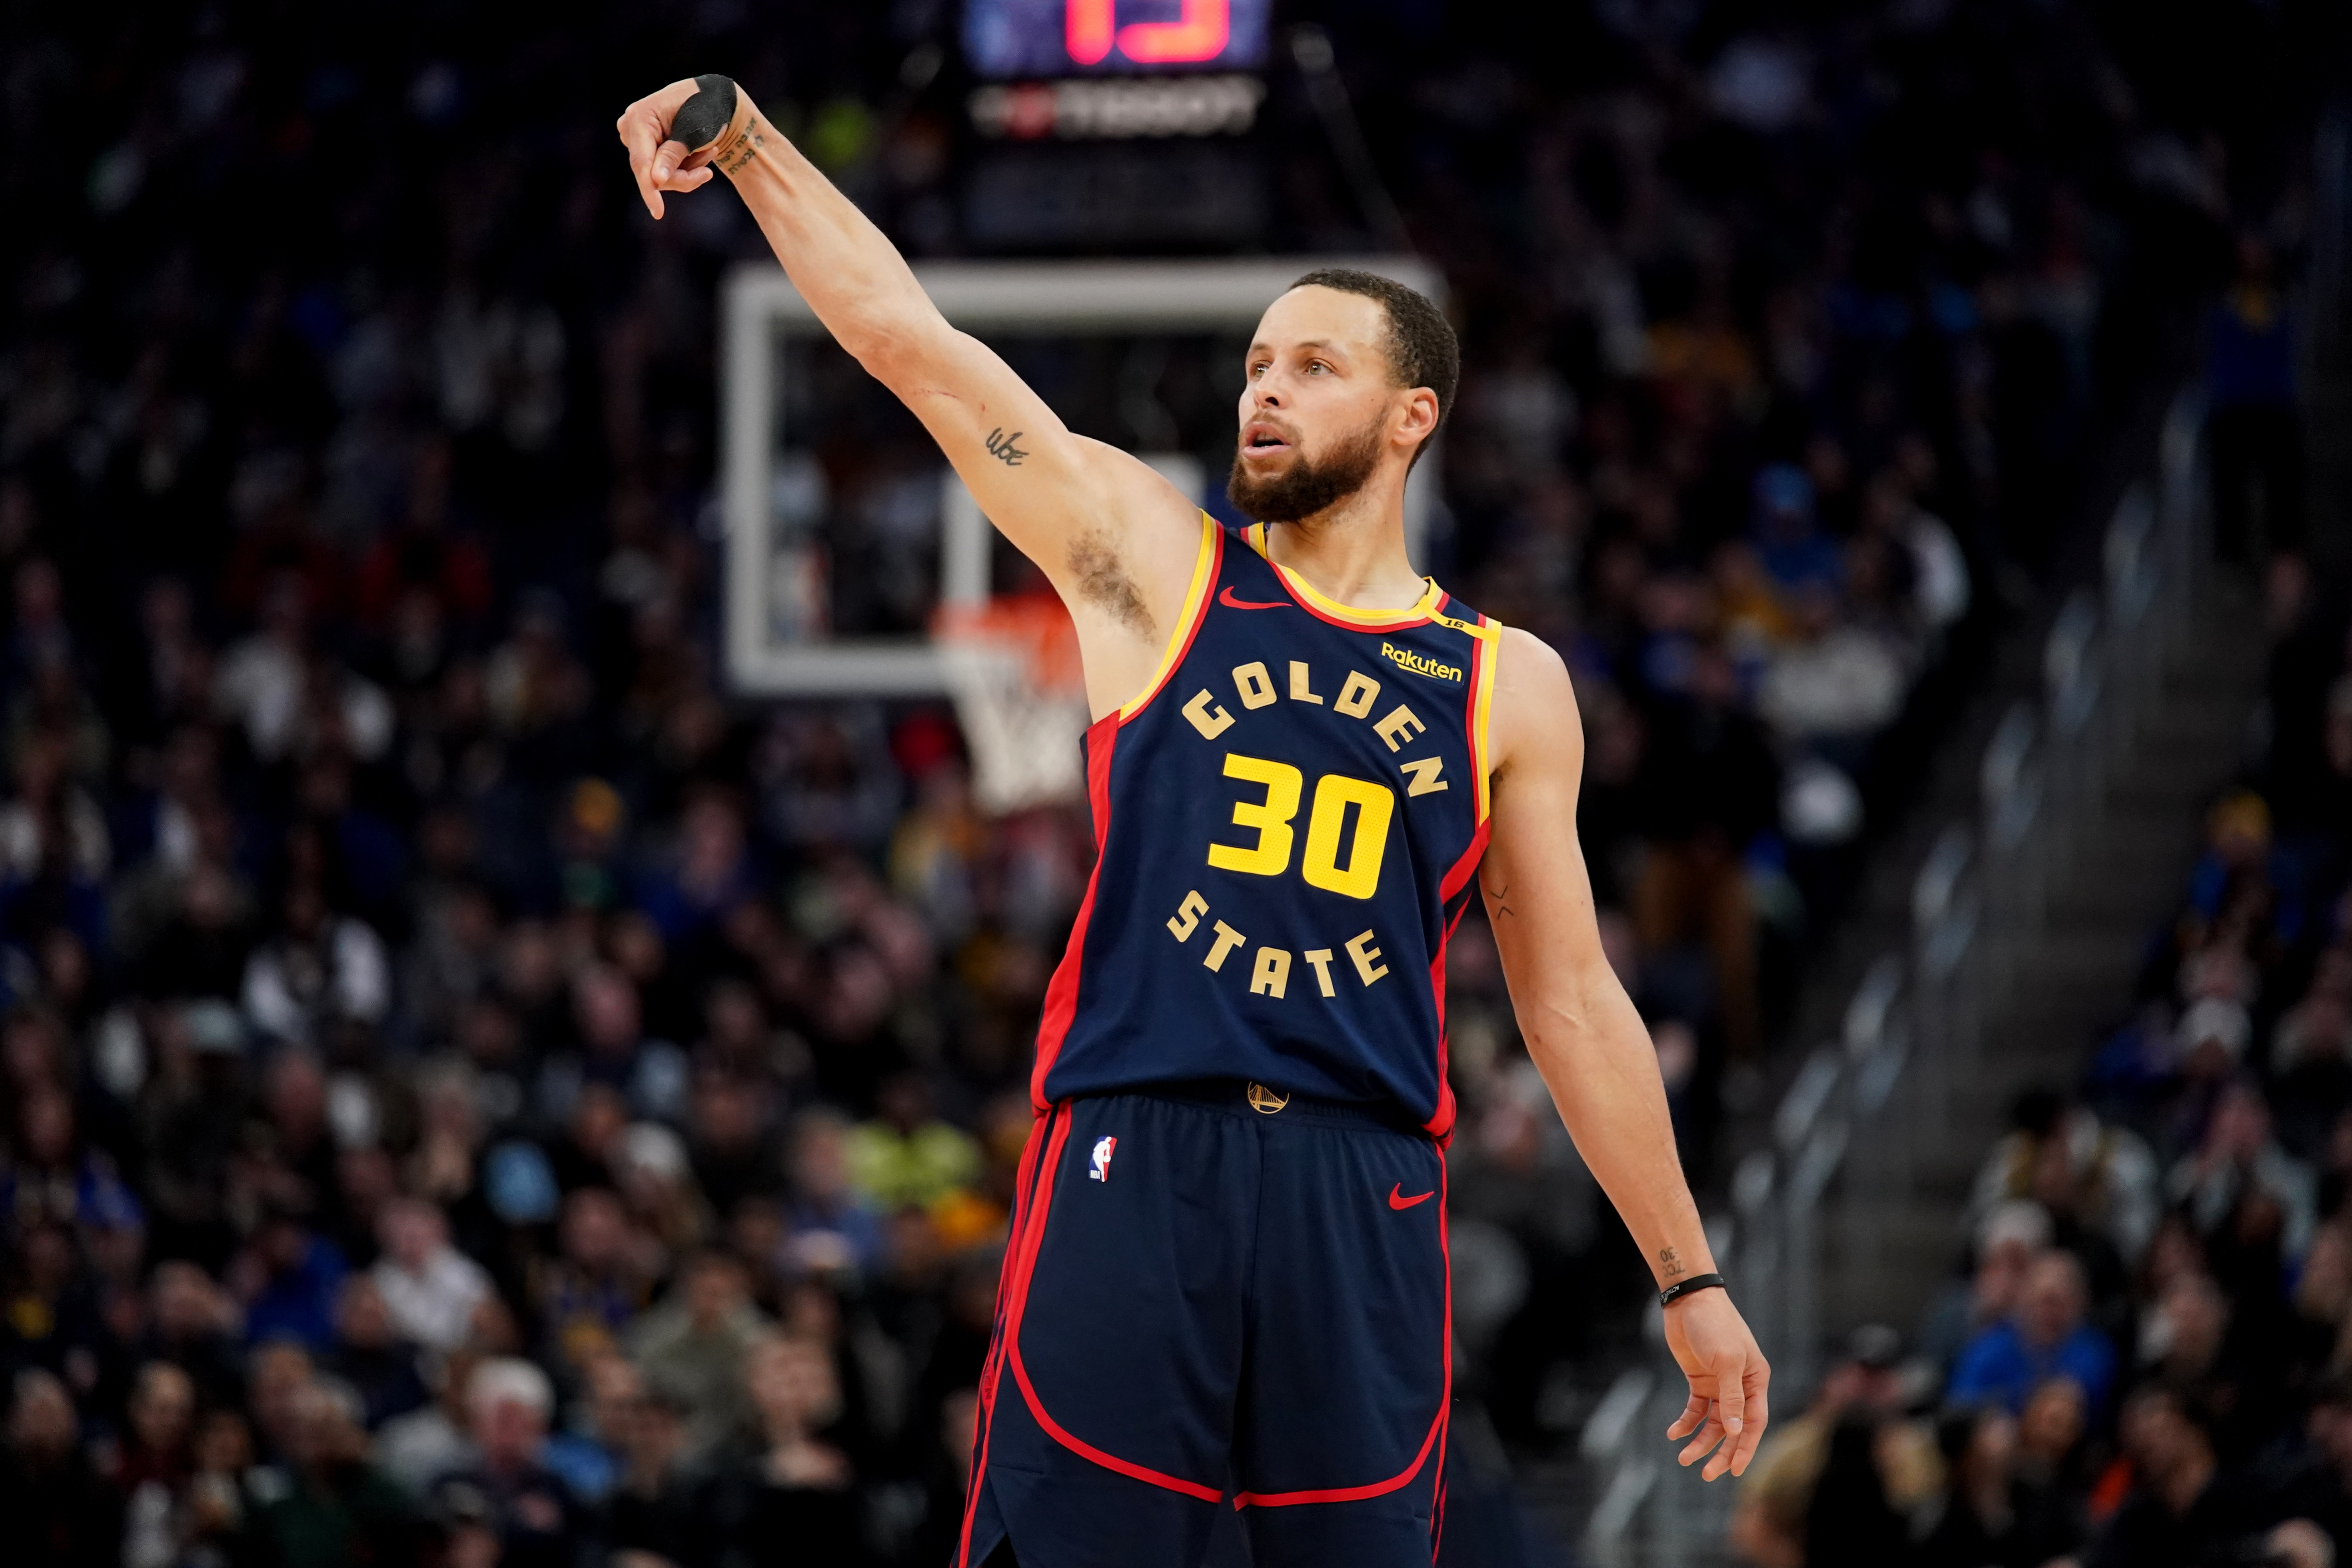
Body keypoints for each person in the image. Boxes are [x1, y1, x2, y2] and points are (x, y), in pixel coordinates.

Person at [617, 71, 1769, 1568]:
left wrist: (1689, 1278)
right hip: (1136, 1150)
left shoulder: (1506, 682)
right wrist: (754, 143)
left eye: (1311, 366)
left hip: (1360, 1182)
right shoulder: (1159, 567)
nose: (1263, 390)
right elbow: (913, 345)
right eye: (1254, 364)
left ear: (1411, 416)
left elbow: (1569, 1001)